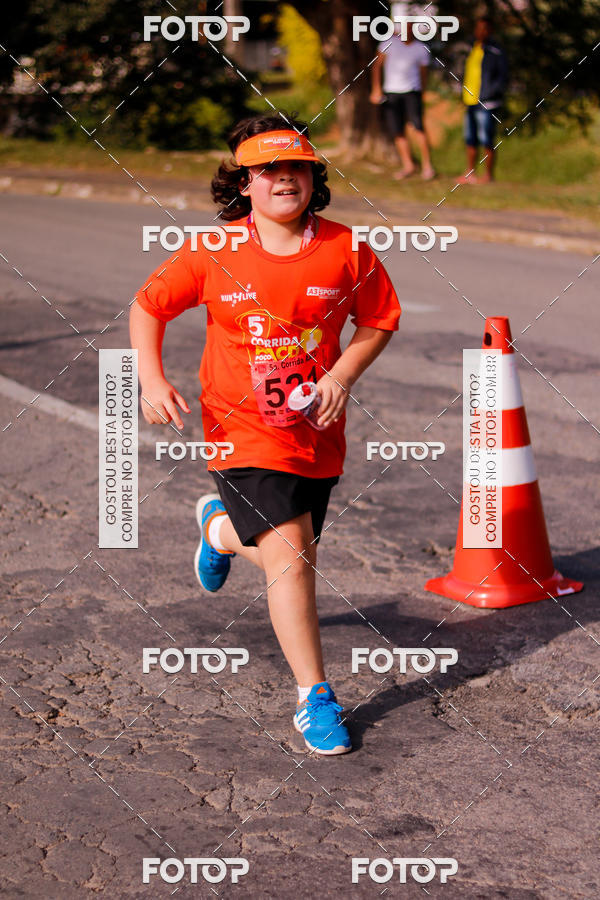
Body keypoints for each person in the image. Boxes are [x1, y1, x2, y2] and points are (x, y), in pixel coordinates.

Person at [129, 114, 401, 756]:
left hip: (313, 431)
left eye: (298, 169)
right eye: (270, 171)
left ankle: (218, 530)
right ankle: (316, 697)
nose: (286, 179)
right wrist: (151, 379)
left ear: (314, 180)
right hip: (238, 427)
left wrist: (342, 375)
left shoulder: (346, 248)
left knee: (294, 558)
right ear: (245, 184)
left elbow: (380, 319)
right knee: (292, 555)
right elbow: (147, 305)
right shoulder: (213, 250)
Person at [370, 23, 435, 180]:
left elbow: (423, 73)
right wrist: (376, 89)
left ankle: (427, 166)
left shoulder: (420, 48)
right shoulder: (388, 43)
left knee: (418, 127)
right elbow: (377, 66)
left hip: (412, 92)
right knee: (397, 130)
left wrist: (423, 92)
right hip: (392, 92)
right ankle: (408, 165)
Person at [457, 15, 508, 184]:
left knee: (487, 139)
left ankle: (488, 175)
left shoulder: (496, 51)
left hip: (487, 102)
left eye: (484, 28)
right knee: (470, 138)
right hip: (470, 100)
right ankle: (470, 172)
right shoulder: (472, 48)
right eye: (478, 28)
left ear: (490, 30)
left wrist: (491, 93)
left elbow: (502, 77)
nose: (481, 32)